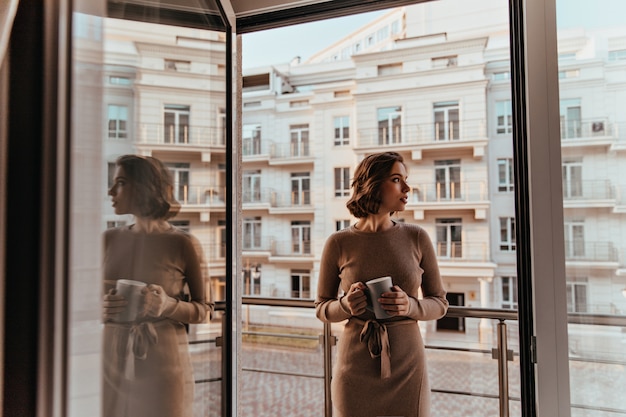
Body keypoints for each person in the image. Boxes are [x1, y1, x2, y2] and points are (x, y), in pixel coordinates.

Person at [315, 151, 448, 417]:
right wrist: (345, 305)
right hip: (354, 369)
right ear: (373, 184)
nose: (407, 188)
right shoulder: (338, 242)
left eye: (405, 180)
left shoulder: (417, 237)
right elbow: (321, 308)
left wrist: (410, 306)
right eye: (397, 179)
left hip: (408, 369)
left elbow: (440, 304)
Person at [102, 154, 213, 417]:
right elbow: (79, 303)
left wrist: (167, 305)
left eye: (120, 183)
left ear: (144, 187)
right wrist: (100, 307)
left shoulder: (183, 244)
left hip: (163, 364)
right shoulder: (107, 239)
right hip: (110, 362)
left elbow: (205, 310)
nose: (110, 191)